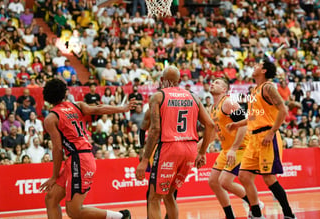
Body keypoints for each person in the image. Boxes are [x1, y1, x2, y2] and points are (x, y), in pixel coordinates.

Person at [39, 79, 136, 219]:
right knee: (51, 198)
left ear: (47, 97)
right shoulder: (77, 105)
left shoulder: (51, 118)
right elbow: (98, 108)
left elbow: (57, 149)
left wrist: (54, 176)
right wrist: (123, 108)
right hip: (78, 158)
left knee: (74, 211)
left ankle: (120, 217)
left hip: (79, 160)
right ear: (64, 93)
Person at [135, 66, 215, 219]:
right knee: (169, 195)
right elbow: (210, 125)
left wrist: (144, 160)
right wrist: (203, 152)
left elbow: (155, 130)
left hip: (169, 147)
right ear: (179, 81)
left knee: (154, 198)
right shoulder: (193, 96)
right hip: (190, 149)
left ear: (162, 80)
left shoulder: (158, 97)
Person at [229, 59, 295, 219]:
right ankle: (257, 214)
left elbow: (283, 110)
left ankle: (289, 214)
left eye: (258, 65)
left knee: (269, 178)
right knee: (243, 176)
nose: (254, 66)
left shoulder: (268, 87)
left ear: (264, 71)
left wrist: (272, 132)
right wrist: (237, 124)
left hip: (267, 136)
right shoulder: (255, 91)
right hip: (253, 138)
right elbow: (254, 116)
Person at [207, 78, 253, 219]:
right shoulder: (212, 108)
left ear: (224, 90)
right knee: (213, 182)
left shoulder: (229, 103)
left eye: (217, 83)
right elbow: (215, 132)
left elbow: (244, 125)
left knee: (224, 181)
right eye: (212, 81)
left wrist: (233, 148)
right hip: (226, 149)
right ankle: (229, 215)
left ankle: (254, 203)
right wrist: (201, 146)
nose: (213, 83)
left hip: (240, 147)